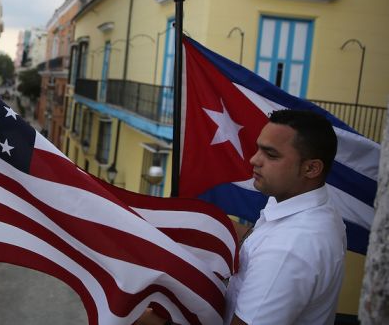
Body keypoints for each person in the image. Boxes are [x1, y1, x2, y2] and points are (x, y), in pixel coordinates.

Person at [136, 109, 346, 325]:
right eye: (258, 149)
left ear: (311, 168)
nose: (254, 160)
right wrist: (188, 224)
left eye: (271, 155)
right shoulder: (306, 202)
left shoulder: (289, 250)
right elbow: (261, 239)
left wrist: (153, 323)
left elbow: (276, 249)